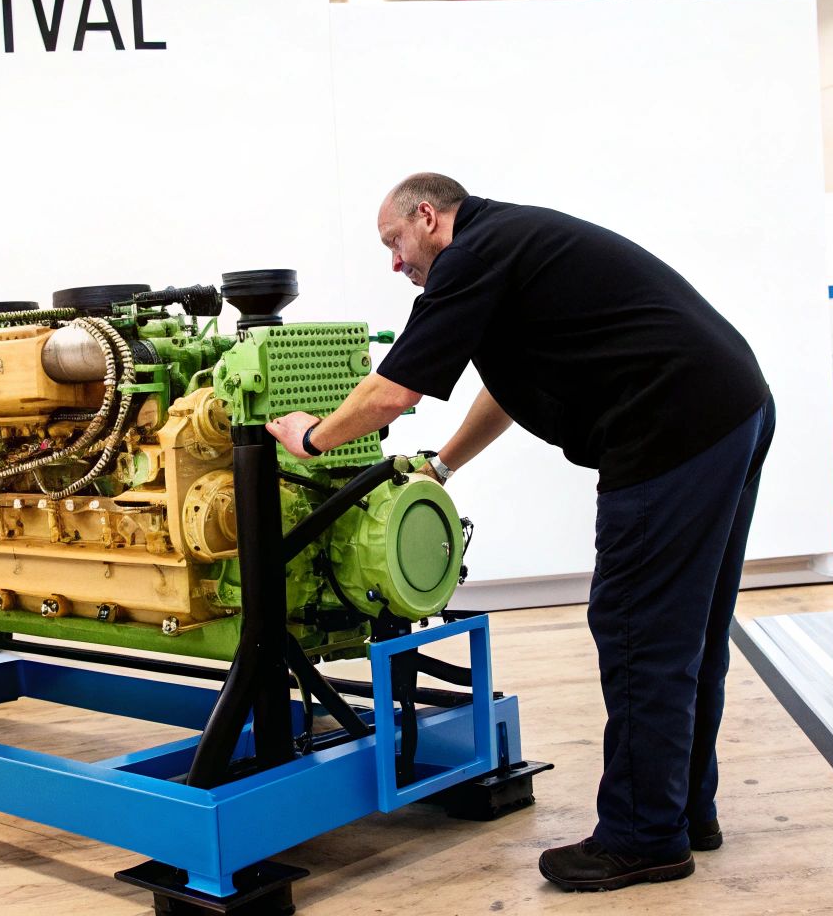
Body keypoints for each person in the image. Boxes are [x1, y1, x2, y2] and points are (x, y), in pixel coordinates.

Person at [266, 172, 775, 893]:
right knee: (687, 632)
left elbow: (394, 391)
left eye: (394, 242)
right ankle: (685, 812)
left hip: (670, 422)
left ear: (428, 216)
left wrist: (311, 437)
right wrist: (441, 466)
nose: (395, 262)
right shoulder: (508, 246)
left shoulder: (472, 255)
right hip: (730, 405)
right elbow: (504, 390)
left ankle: (642, 838)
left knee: (638, 630)